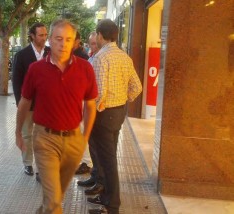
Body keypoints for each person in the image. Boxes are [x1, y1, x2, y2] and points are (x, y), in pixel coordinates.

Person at [15, 19, 98, 214]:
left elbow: (91, 105)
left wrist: (84, 137)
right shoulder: (36, 69)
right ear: (50, 40)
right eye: (58, 39)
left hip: (73, 141)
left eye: (68, 39)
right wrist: (18, 132)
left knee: (55, 197)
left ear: (74, 42)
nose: (63, 44)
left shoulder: (85, 68)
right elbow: (24, 102)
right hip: (45, 140)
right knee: (54, 203)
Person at [87, 19, 142, 214]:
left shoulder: (101, 57)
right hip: (119, 113)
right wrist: (121, 98)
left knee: (107, 161)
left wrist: (93, 110)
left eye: (97, 36)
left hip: (104, 114)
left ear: (100, 35)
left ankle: (112, 206)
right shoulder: (124, 57)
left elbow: (98, 92)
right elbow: (137, 87)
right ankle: (107, 198)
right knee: (108, 159)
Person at [12, 22, 50, 179]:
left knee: (43, 136)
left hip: (46, 105)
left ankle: (42, 166)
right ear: (32, 36)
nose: (44, 37)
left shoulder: (51, 53)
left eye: (45, 34)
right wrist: (20, 103)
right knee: (27, 134)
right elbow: (16, 82)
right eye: (41, 35)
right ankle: (27, 163)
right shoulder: (21, 56)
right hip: (28, 104)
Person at [76, 31, 99, 176]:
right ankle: (89, 166)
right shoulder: (91, 58)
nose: (93, 46)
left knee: (88, 135)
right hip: (84, 104)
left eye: (95, 43)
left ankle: (88, 164)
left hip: (93, 105)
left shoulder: (92, 59)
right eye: (91, 43)